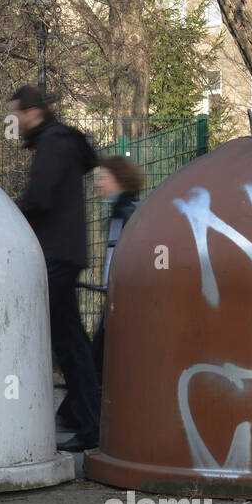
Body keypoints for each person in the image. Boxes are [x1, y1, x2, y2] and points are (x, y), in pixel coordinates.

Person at [8, 85, 101, 452]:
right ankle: (81, 417)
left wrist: (6, 211)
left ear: (32, 112)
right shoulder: (58, 142)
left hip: (56, 256)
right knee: (70, 341)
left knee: (66, 343)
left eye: (15, 115)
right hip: (63, 254)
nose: (12, 123)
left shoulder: (53, 143)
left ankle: (87, 422)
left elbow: (40, 197)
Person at [91, 155, 143, 387]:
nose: (98, 184)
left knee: (102, 353)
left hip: (122, 294)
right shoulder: (125, 209)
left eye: (103, 178)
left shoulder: (126, 211)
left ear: (119, 179)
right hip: (121, 293)